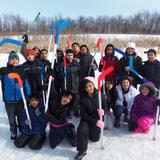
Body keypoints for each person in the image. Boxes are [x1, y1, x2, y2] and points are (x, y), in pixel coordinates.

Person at [0, 51, 30, 140]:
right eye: (12, 59)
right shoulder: (3, 71)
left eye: (16, 59)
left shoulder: (21, 71)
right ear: (9, 60)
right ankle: (13, 131)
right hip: (9, 100)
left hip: (20, 100)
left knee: (21, 118)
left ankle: (22, 129)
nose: (14, 61)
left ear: (18, 60)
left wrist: (28, 97)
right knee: (11, 119)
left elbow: (26, 85)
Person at [76, 76, 107, 160]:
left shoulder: (101, 95)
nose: (88, 88)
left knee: (94, 139)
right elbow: (83, 115)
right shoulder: (83, 98)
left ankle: (89, 133)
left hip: (98, 120)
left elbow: (106, 107)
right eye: (86, 87)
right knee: (81, 130)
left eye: (90, 86)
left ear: (93, 85)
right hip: (87, 120)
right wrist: (94, 121)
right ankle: (81, 151)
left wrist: (103, 111)